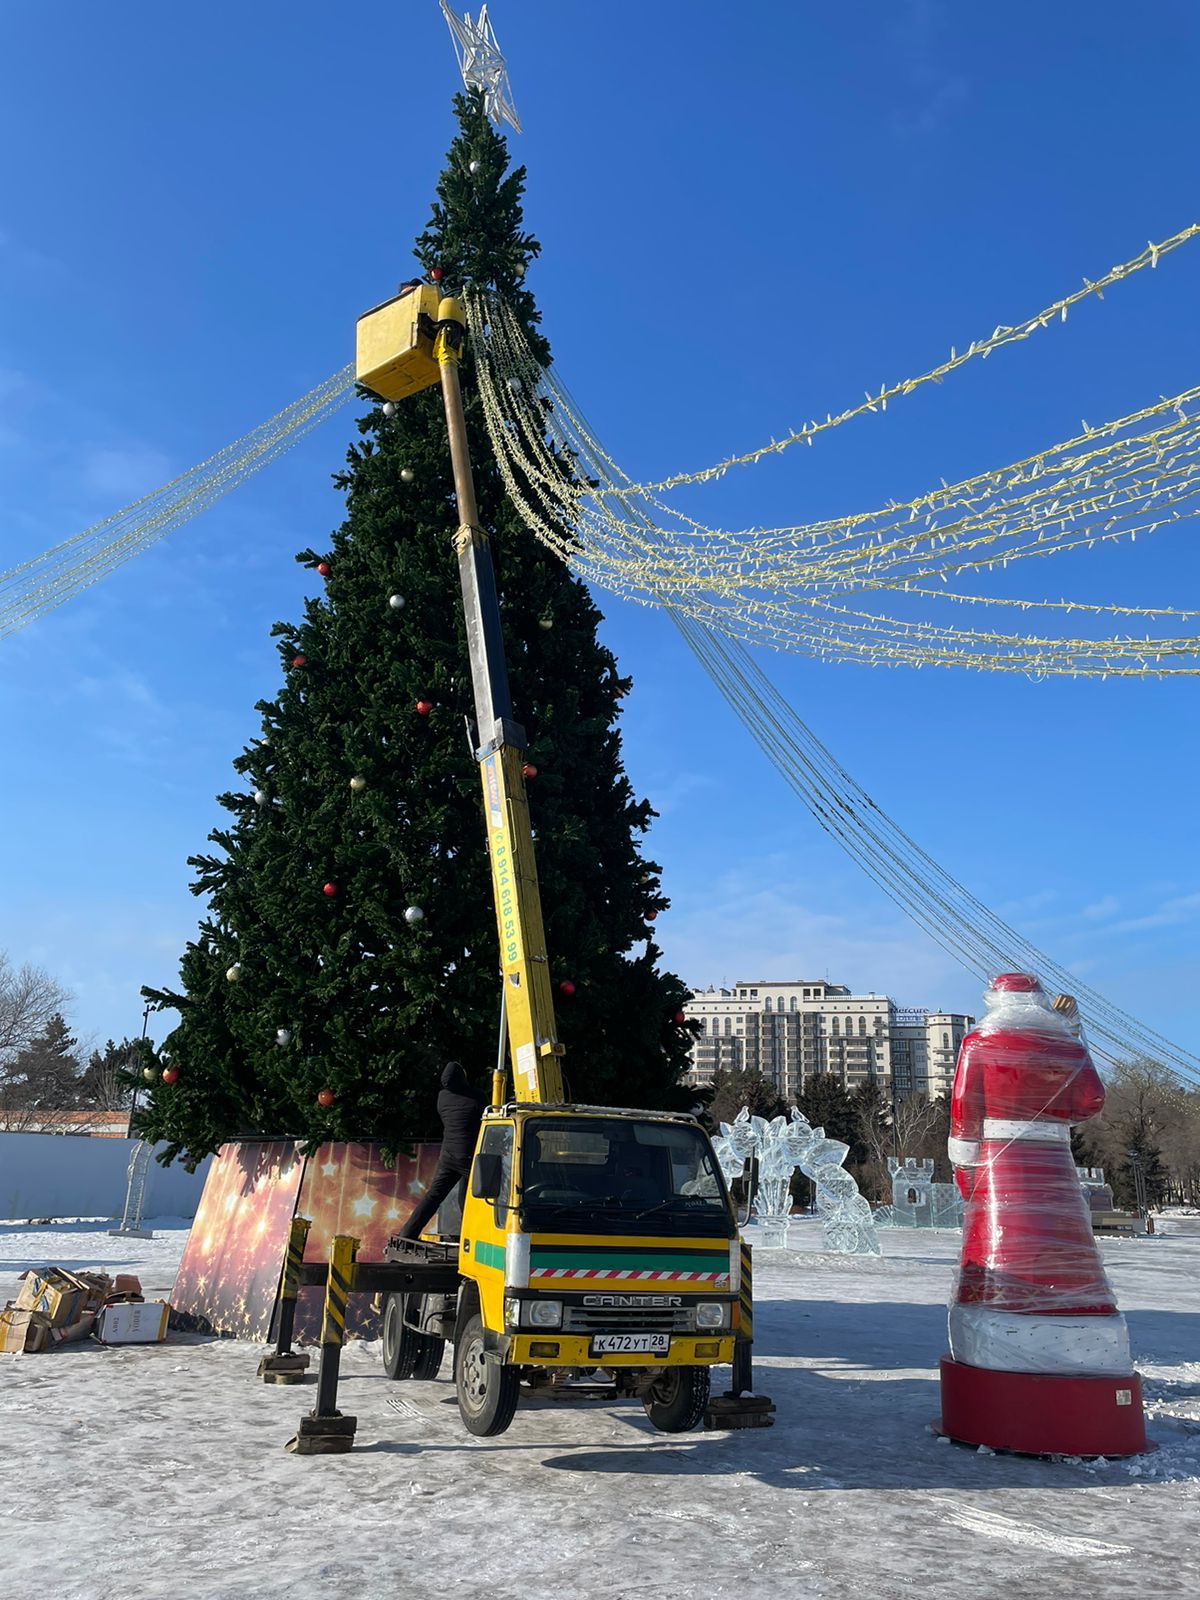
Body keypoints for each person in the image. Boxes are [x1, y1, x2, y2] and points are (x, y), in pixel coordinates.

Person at [398, 1061, 484, 1240]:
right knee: (468, 1198)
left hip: (448, 1157)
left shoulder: (442, 1098)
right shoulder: (476, 1097)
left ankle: (408, 1234)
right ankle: (470, 1237)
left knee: (434, 1196)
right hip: (469, 1156)